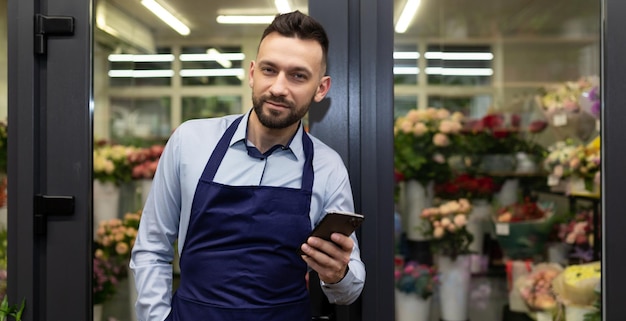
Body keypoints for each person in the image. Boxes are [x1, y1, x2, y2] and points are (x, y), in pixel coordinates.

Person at [130, 10, 365, 321]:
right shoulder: (190, 142)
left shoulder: (327, 167)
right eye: (270, 70)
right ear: (253, 73)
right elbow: (152, 248)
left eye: (298, 75)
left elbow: (349, 287)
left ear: (321, 89)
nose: (279, 88)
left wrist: (337, 275)